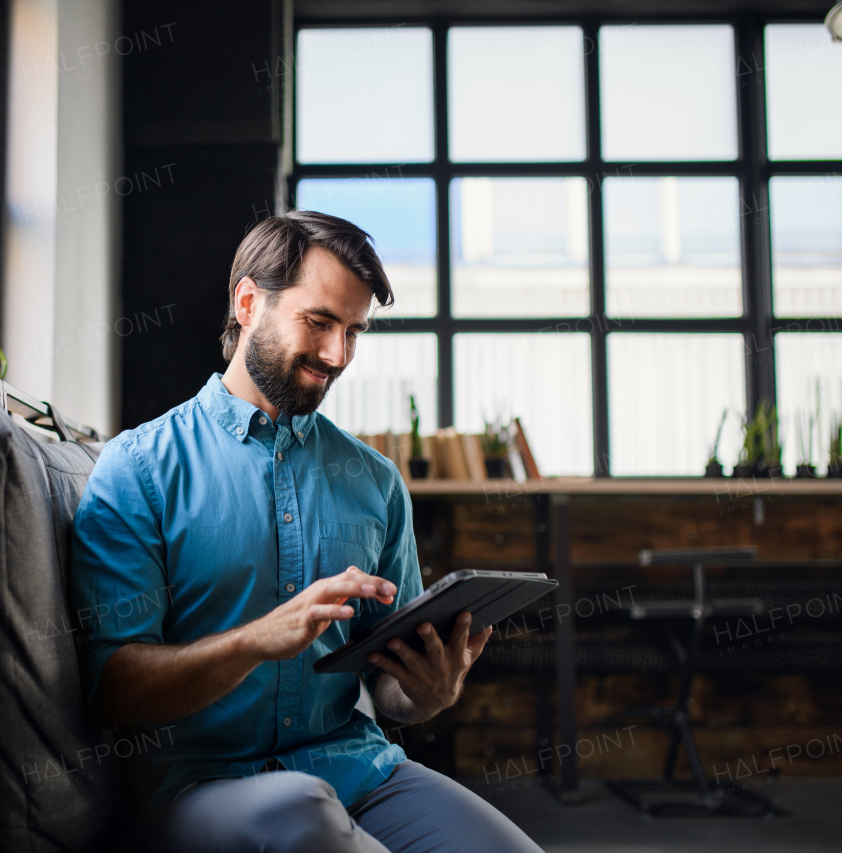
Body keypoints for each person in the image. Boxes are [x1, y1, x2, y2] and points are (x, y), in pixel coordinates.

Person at [69, 210, 543, 853]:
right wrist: (259, 639)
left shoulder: (375, 482)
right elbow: (113, 691)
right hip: (200, 785)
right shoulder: (139, 469)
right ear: (247, 303)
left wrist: (426, 692)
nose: (337, 355)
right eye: (319, 322)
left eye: (353, 332)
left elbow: (389, 685)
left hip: (359, 771)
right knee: (305, 819)